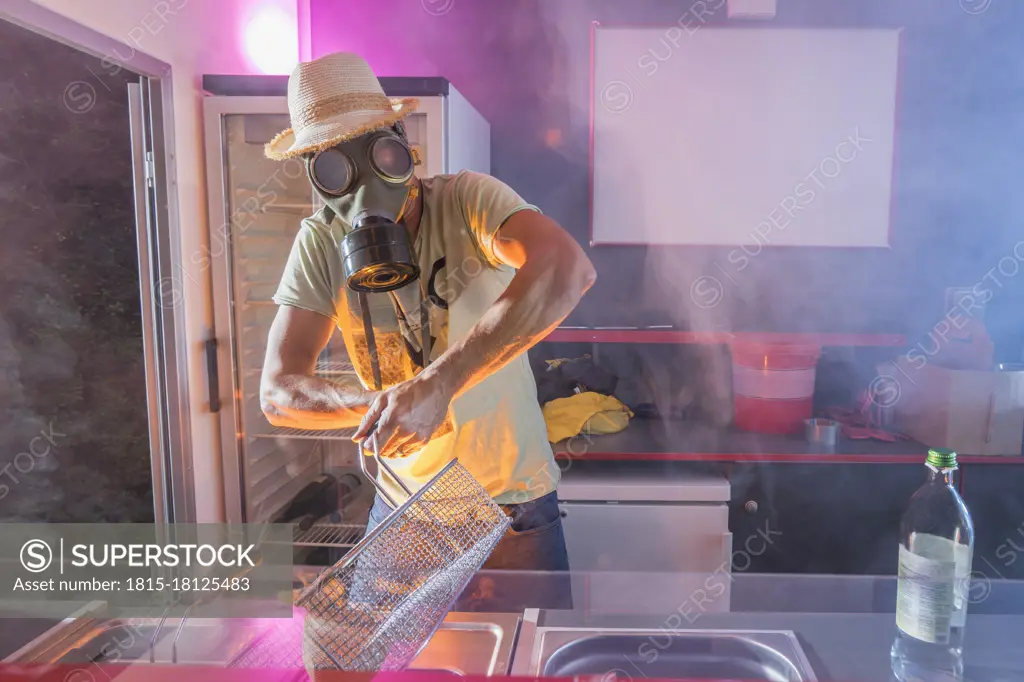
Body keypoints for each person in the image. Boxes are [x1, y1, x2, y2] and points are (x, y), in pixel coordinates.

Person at [259, 52, 596, 576]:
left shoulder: (468, 201)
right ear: (317, 179)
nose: (360, 185)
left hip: (510, 505)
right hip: (402, 509)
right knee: (378, 660)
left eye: (374, 151)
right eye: (332, 168)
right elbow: (278, 395)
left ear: (400, 148)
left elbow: (567, 269)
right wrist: (379, 407)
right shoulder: (323, 239)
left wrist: (439, 385)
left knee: (518, 659)